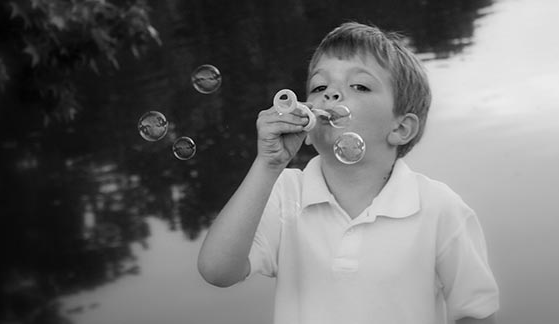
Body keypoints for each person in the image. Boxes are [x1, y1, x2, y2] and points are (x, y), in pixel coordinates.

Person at [197, 22, 499, 324]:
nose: (331, 95)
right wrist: (268, 164)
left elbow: (475, 313)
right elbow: (217, 270)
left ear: (400, 128)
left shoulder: (438, 209)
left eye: (359, 86)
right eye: (319, 87)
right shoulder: (285, 194)